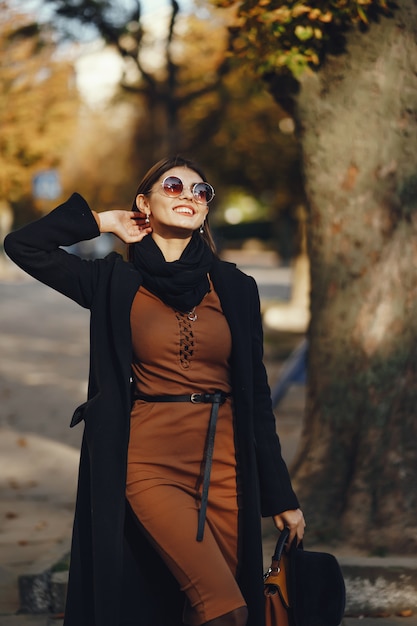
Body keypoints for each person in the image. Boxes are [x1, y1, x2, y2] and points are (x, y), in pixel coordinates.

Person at [4, 155, 305, 626]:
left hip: (226, 468)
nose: (189, 195)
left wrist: (281, 495)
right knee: (226, 610)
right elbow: (23, 246)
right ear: (143, 202)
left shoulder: (235, 286)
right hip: (148, 462)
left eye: (200, 191)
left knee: (204, 608)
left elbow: (257, 396)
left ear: (206, 210)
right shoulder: (111, 281)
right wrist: (101, 221)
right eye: (173, 185)